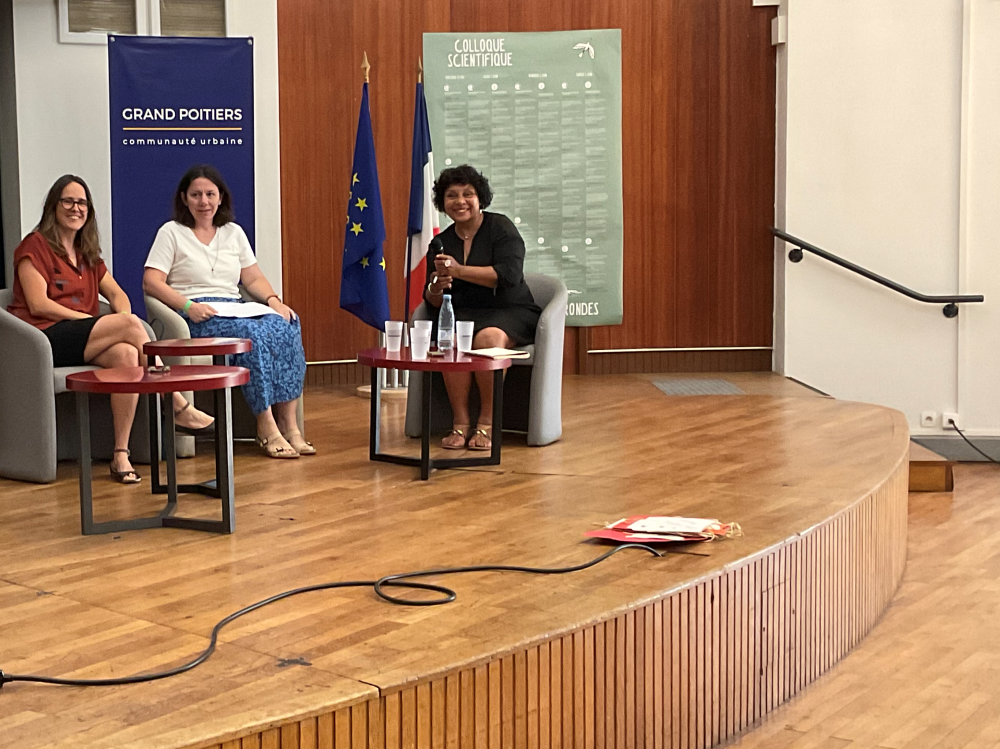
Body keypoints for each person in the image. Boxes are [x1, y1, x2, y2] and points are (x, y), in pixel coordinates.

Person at [7, 174, 214, 484]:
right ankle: (174, 401)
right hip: (44, 339)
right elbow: (39, 305)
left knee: (127, 355)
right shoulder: (34, 246)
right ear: (53, 206)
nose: (76, 208)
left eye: (82, 203)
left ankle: (120, 454)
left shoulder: (87, 253)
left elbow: (118, 295)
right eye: (68, 201)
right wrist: (94, 321)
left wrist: (120, 321)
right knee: (129, 326)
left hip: (83, 337)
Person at [142, 164, 313, 459]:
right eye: (196, 195)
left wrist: (274, 301)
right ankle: (266, 426)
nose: (204, 201)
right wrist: (188, 307)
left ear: (221, 197)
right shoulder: (171, 232)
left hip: (234, 306)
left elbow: (252, 278)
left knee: (287, 324)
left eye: (210, 194)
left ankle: (290, 426)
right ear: (184, 198)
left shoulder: (233, 232)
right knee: (251, 335)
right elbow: (151, 281)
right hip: (196, 313)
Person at [425, 165, 540, 451]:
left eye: (468, 194)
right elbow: (434, 299)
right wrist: (437, 286)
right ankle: (460, 423)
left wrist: (459, 271)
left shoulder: (501, 228)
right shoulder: (441, 242)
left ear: (480, 199)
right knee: (450, 341)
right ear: (442, 202)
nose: (460, 201)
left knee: (488, 338)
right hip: (464, 314)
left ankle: (487, 423)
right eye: (451, 195)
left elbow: (508, 276)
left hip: (510, 309)